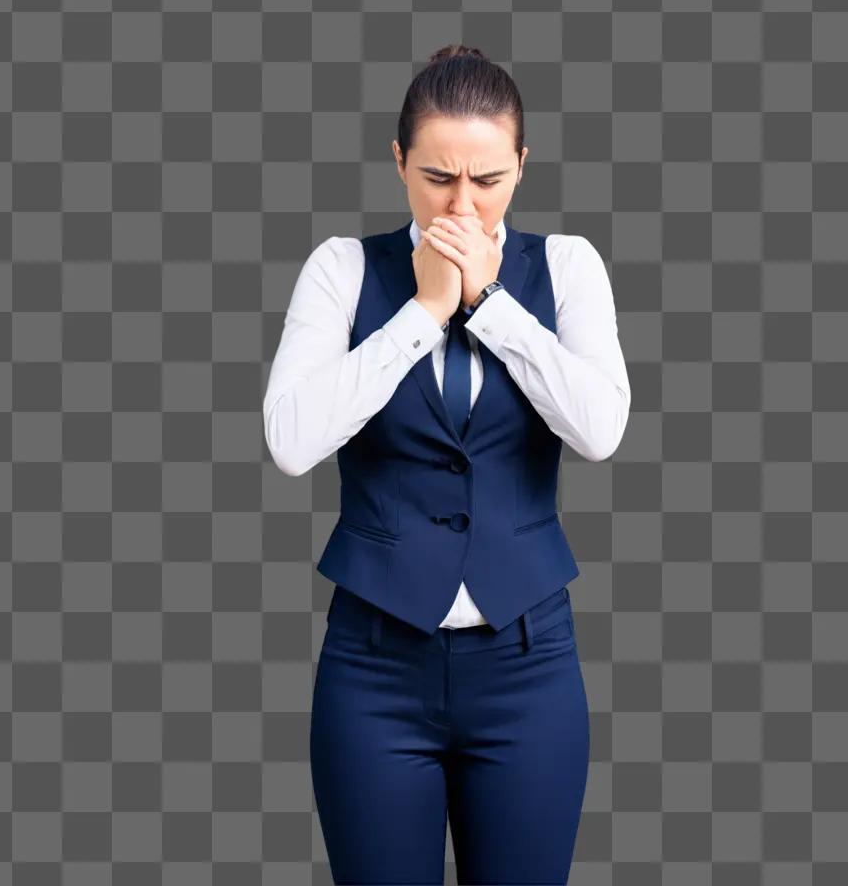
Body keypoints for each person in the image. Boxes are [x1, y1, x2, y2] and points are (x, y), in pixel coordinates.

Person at [262, 44, 631, 884]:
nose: (461, 206)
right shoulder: (341, 271)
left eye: (488, 180)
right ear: (398, 162)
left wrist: (491, 306)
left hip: (529, 666)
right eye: (436, 178)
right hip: (374, 668)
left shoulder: (568, 268)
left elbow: (601, 428)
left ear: (522, 166)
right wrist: (423, 312)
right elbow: (289, 441)